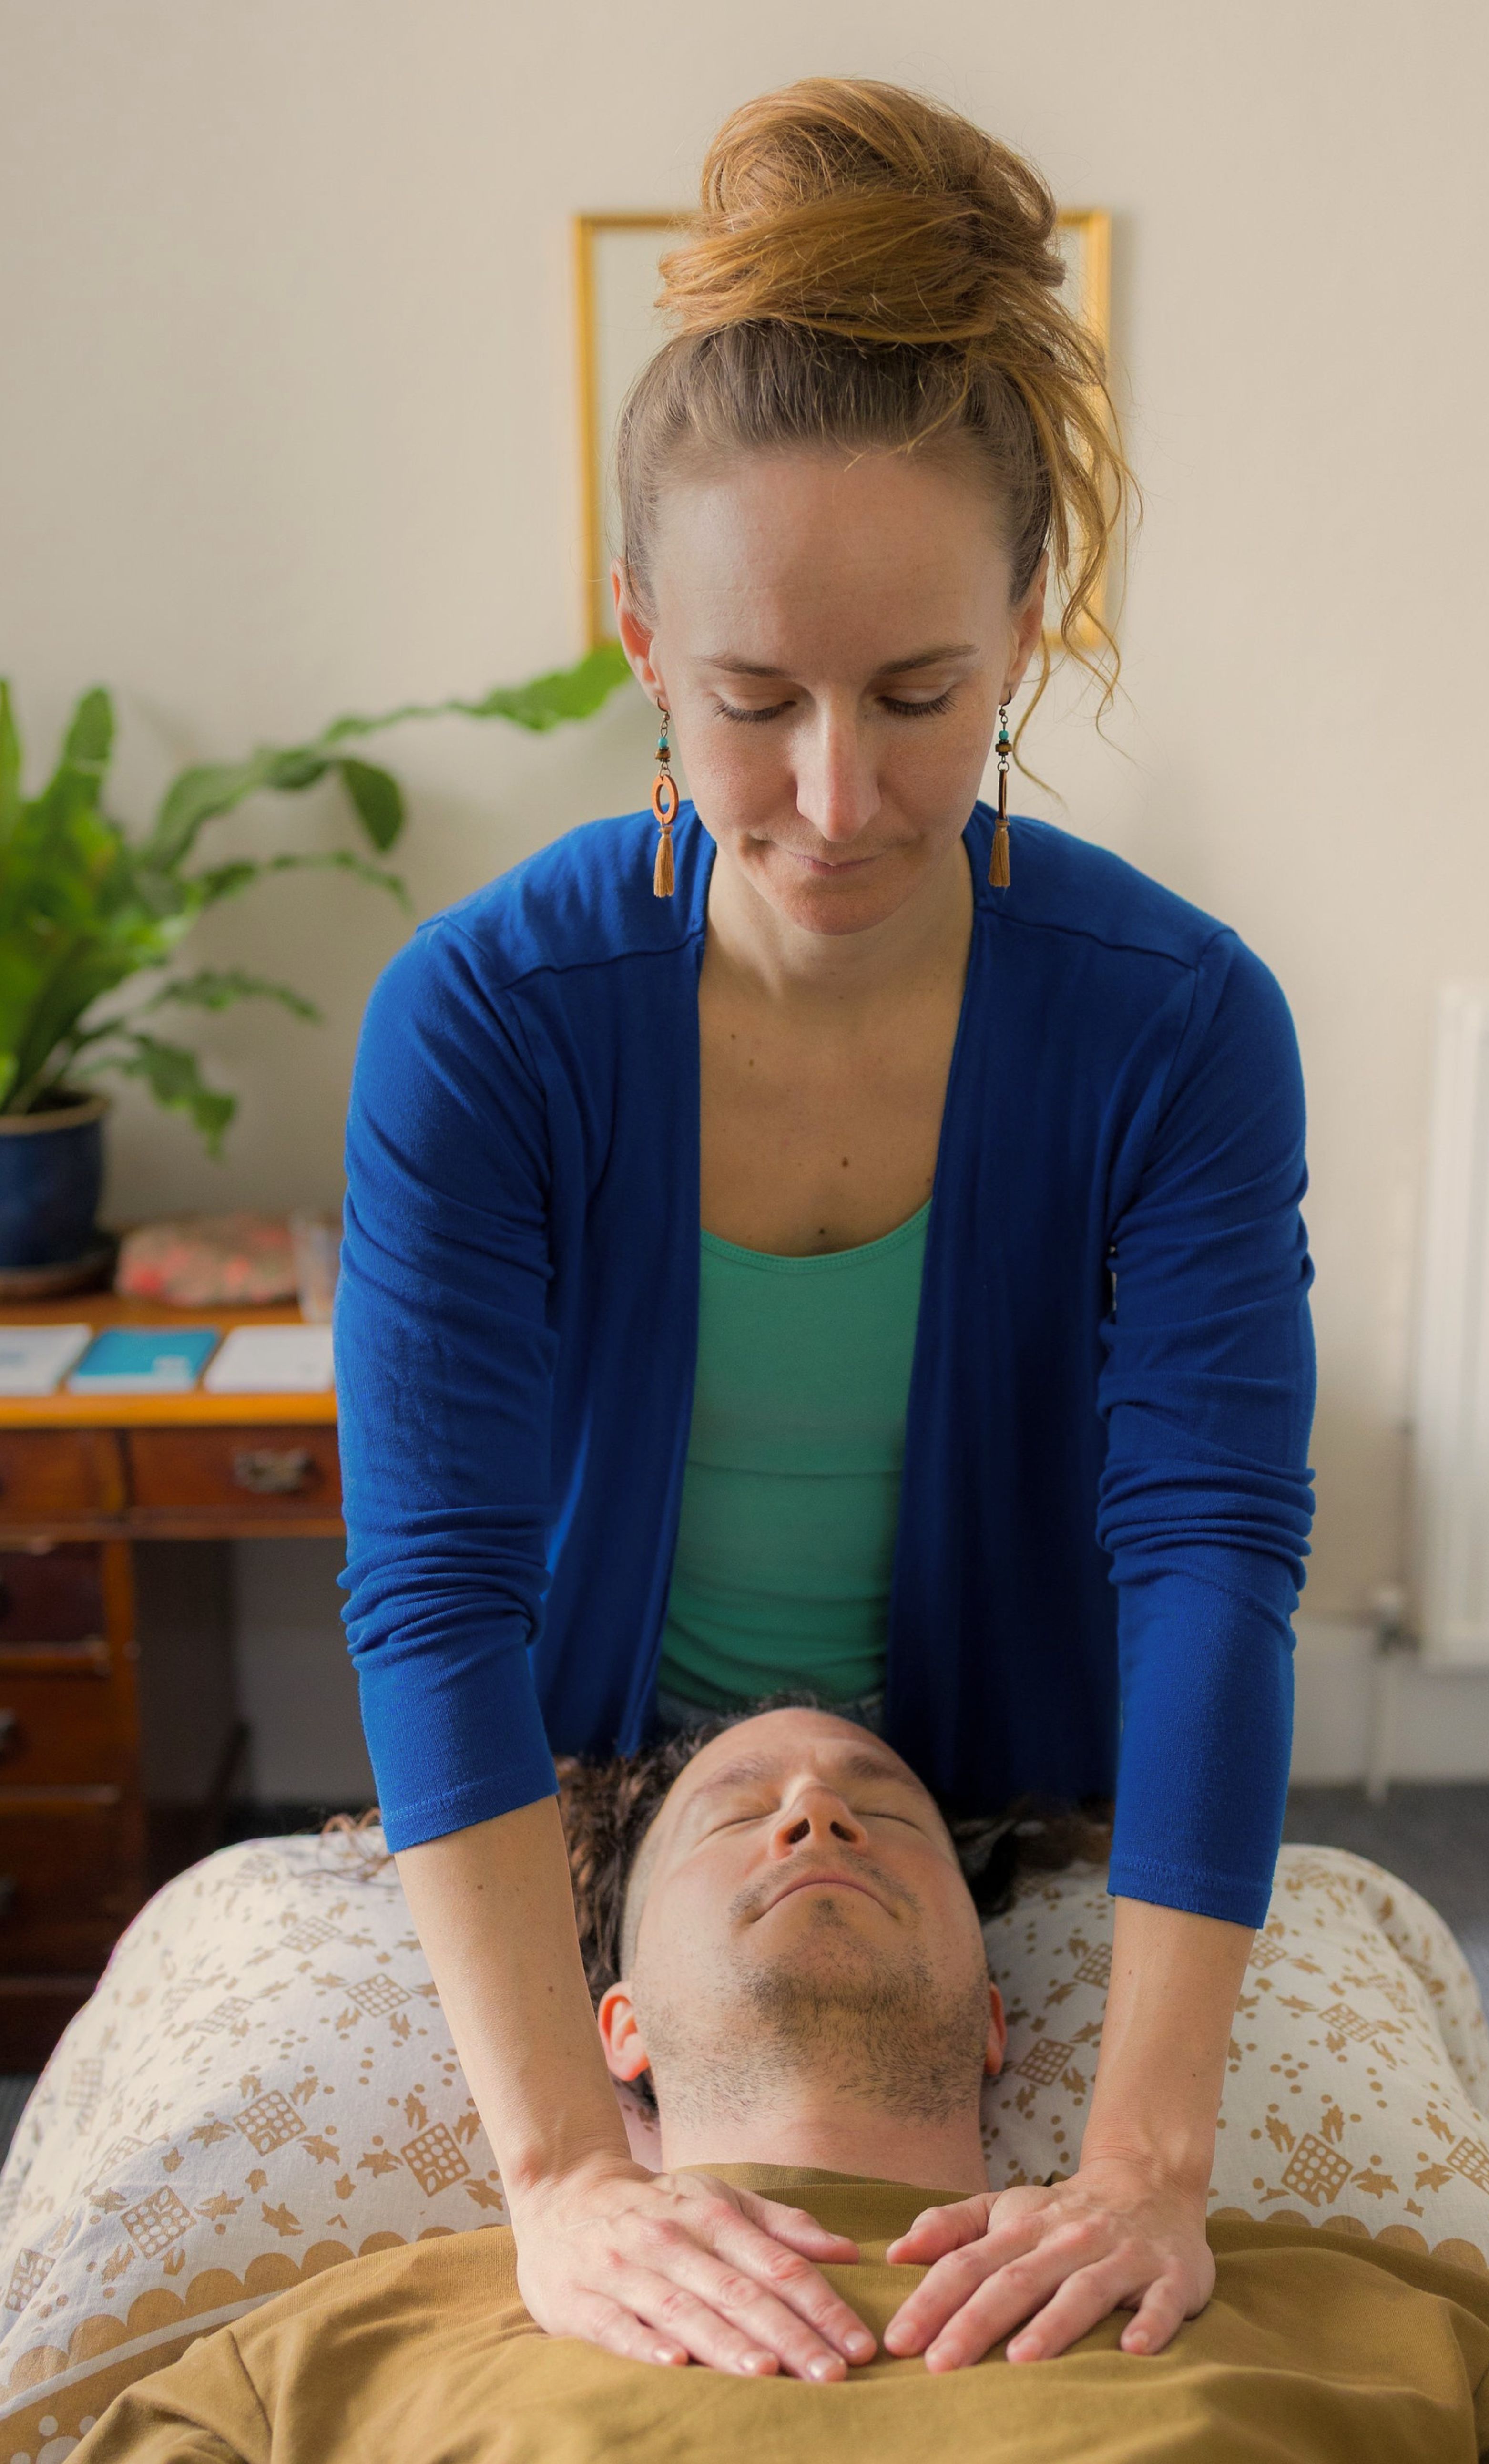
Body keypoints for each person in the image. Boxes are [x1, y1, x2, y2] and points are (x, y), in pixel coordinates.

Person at [334, 77, 1317, 2375]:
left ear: (1033, 623)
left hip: (1001, 1783)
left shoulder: (1179, 1023)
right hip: (603, 1789)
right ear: (633, 639)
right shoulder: (479, 1023)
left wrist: (1148, 2160)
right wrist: (567, 2172)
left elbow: (1210, 1551)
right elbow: (436, 1583)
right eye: (749, 701)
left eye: (920, 696)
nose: (835, 800)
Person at [79, 1710, 1489, 2462]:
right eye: (738, 1812)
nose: (816, 1814)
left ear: (991, 2025)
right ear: (610, 2028)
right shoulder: (341, 2348)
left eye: (880, 1810)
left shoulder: (1374, 2326)